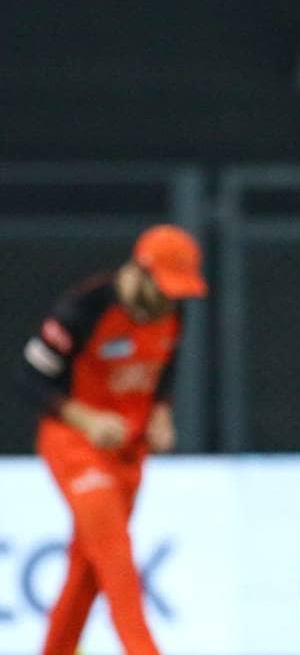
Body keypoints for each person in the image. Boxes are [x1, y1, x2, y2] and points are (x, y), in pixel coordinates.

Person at [17, 224, 208, 655]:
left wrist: (161, 414)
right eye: (163, 290)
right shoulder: (83, 308)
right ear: (139, 271)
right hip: (74, 443)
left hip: (129, 452)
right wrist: (84, 419)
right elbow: (28, 379)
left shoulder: (173, 312)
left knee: (87, 571)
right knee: (114, 551)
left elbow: (165, 369)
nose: (169, 302)